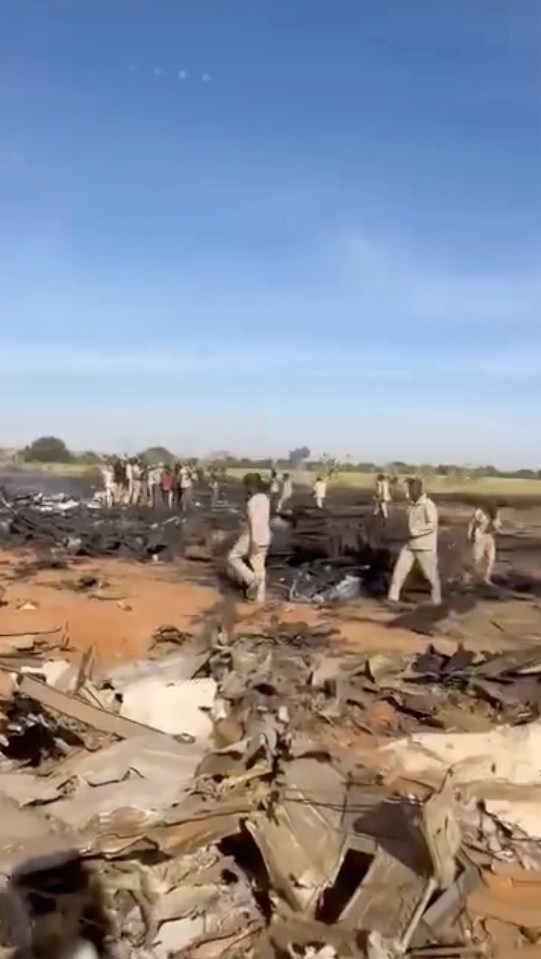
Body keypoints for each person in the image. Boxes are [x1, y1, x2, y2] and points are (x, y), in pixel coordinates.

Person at [388, 477, 441, 605]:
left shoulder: (428, 505)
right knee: (399, 571)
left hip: (425, 546)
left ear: (417, 490)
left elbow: (432, 524)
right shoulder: (410, 504)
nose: (408, 492)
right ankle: (392, 598)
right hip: (410, 544)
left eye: (411, 489)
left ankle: (437, 601)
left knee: (431, 576)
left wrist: (416, 531)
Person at [227, 472, 271, 603]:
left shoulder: (252, 501)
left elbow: (254, 522)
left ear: (250, 485)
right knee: (259, 566)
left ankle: (251, 579)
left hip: (253, 535)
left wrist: (253, 541)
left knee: (233, 557)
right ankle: (260, 598)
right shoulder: (265, 498)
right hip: (266, 535)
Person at [468, 501, 501, 584]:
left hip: (489, 536)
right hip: (480, 535)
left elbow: (497, 527)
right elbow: (472, 523)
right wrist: (470, 534)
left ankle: (486, 578)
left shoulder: (495, 515)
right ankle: (473, 577)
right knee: (477, 558)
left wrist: (495, 527)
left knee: (491, 558)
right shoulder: (479, 513)